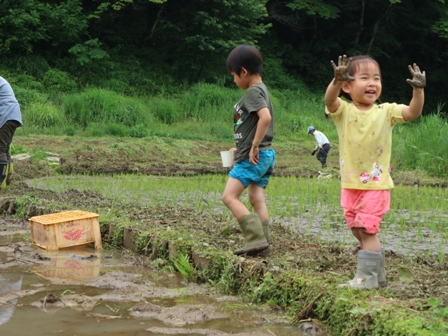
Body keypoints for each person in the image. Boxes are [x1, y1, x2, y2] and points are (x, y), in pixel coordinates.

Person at [324, 54, 425, 289]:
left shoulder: (386, 111)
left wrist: (418, 90)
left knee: (368, 230)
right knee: (357, 229)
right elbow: (330, 101)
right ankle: (377, 275)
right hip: (350, 184)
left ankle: (365, 278)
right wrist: (335, 81)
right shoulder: (344, 111)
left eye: (376, 78)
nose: (372, 83)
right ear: (347, 86)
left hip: (376, 185)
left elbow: (412, 112)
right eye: (364, 78)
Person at [221, 44, 276, 256]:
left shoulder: (253, 92)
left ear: (243, 71)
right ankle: (263, 243)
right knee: (256, 198)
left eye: (234, 75)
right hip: (266, 154)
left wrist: (252, 147)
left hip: (254, 156)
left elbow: (265, 118)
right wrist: (242, 147)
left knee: (229, 197)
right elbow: (254, 124)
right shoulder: (262, 90)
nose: (234, 80)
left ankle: (254, 239)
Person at [0, 76, 23, 188]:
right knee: (5, 148)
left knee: (0, 149)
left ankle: (1, 183)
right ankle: (8, 179)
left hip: (7, 114)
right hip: (12, 114)